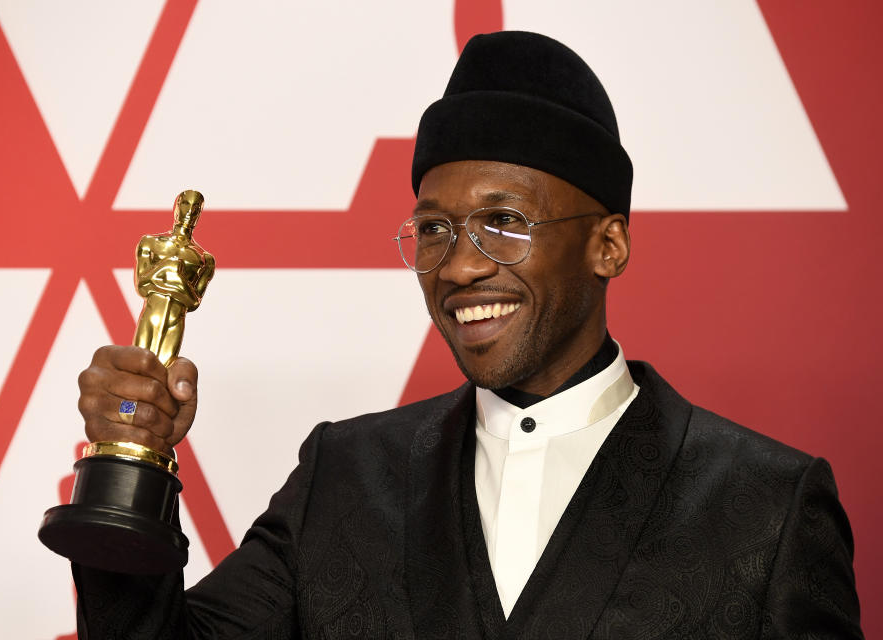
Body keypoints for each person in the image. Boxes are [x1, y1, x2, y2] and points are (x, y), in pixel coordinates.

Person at [71, 31, 863, 638]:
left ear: (608, 245)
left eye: (504, 223)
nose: (456, 270)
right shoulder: (341, 477)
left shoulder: (768, 505)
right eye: (435, 229)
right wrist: (128, 466)